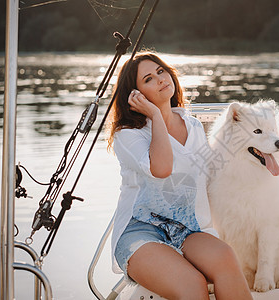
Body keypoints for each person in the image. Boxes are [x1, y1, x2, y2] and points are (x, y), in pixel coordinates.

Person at [107, 52, 253, 300]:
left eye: (161, 71)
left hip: (187, 229)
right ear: (136, 95)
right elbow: (161, 169)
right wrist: (155, 116)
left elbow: (206, 179)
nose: (160, 79)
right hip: (140, 231)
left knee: (226, 259)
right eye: (149, 79)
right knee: (192, 283)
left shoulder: (193, 126)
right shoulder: (129, 134)